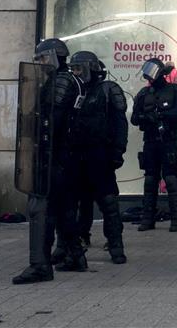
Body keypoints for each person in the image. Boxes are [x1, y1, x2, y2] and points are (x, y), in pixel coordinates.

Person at [12, 38, 84, 284]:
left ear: (54, 56)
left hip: (56, 156)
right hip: (64, 157)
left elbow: (50, 122)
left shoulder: (61, 81)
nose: (41, 62)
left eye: (43, 57)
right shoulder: (63, 80)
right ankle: (75, 255)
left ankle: (40, 265)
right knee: (63, 209)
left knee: (40, 208)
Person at [67, 51, 128, 264]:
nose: (74, 72)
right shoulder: (72, 90)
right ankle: (73, 246)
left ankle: (115, 245)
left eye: (78, 68)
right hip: (76, 155)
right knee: (74, 204)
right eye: (72, 68)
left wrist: (118, 151)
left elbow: (120, 123)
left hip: (100, 155)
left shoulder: (108, 90)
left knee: (109, 203)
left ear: (90, 68)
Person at [131, 58, 177, 232]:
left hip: (170, 141)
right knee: (150, 180)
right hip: (151, 141)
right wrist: (147, 117)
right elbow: (135, 118)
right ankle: (148, 219)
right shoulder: (143, 94)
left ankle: (176, 220)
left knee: (171, 179)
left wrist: (162, 116)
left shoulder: (176, 90)